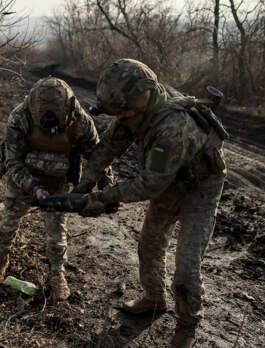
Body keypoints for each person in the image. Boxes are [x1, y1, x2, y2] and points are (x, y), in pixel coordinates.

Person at [72, 59, 227, 347]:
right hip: (171, 179)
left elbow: (148, 185)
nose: (122, 118)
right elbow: (107, 148)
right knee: (150, 244)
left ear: (141, 99)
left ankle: (187, 324)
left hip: (200, 189)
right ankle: (154, 298)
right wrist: (82, 187)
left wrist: (98, 197)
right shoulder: (135, 110)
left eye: (124, 112)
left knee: (186, 265)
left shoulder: (172, 127)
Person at [0, 77, 102, 301]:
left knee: (57, 233)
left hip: (59, 180)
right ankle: (2, 256)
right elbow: (12, 163)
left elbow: (98, 157)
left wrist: (105, 186)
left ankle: (57, 272)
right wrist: (33, 187)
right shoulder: (20, 117)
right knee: (8, 223)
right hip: (24, 178)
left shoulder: (80, 120)